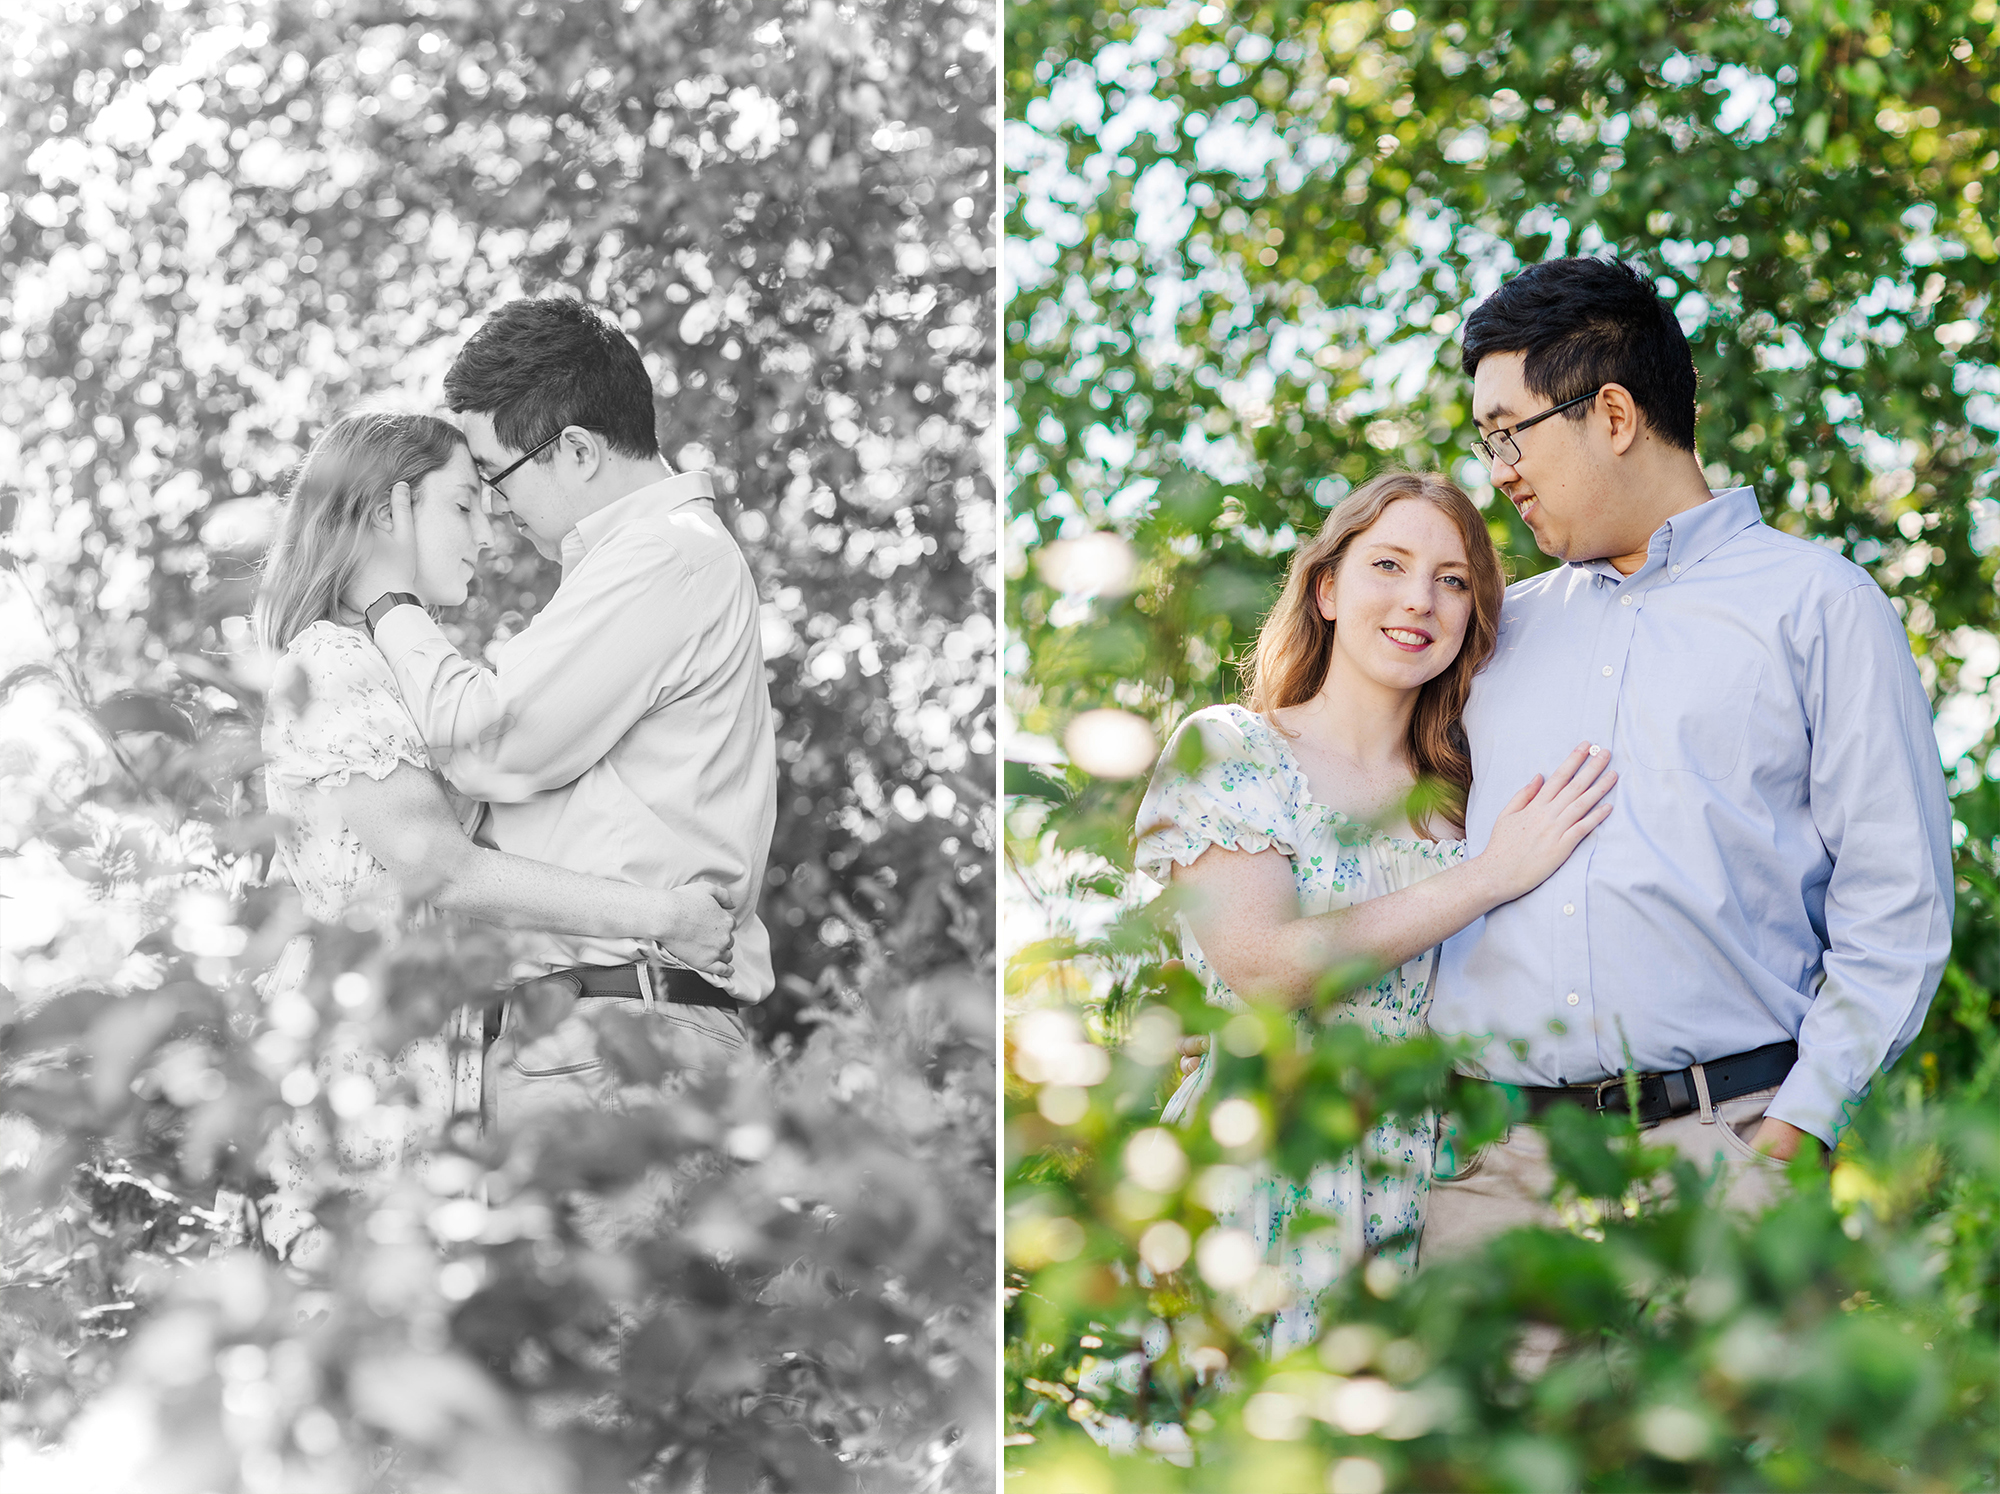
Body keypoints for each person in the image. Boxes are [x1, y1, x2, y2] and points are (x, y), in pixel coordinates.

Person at [1422, 256, 1954, 1258]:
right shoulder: (1492, 636)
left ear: (1612, 414)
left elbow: (1894, 906)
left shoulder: (1817, 606)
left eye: (1507, 433)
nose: (1495, 469)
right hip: (1498, 1193)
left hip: (1727, 1163)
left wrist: (1789, 1139)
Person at [1134, 471, 1616, 1351]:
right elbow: (1268, 967)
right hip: (1260, 1173)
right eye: (1388, 565)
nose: (1418, 600)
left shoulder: (1472, 797)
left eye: (1452, 579)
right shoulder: (1235, 749)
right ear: (1326, 588)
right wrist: (1487, 877)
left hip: (1428, 1182)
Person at [255, 410, 735, 1255]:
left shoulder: (378, 665)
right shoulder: (331, 661)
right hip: (363, 1070)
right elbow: (440, 868)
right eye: (464, 506)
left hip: (427, 1066)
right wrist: (664, 915)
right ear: (388, 510)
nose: (488, 532)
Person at [344, 296, 779, 1130]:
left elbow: (487, 743)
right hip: (596, 1036)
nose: (496, 515)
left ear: (575, 450)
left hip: (621, 1043)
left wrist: (390, 600)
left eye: (496, 480)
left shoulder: (665, 556)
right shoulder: (635, 564)